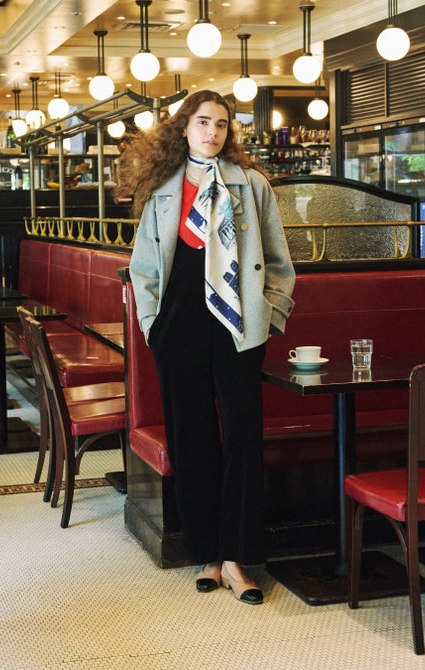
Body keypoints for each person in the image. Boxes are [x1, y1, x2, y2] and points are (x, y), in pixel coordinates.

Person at [117, 90, 295, 605]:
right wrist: (151, 324)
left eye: (221, 124)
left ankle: (239, 558)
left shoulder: (252, 184)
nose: (212, 132)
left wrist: (270, 314)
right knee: (190, 437)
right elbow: (144, 268)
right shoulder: (161, 189)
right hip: (179, 322)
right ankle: (208, 554)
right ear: (184, 128)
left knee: (242, 436)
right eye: (202, 122)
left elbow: (279, 261)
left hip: (237, 321)